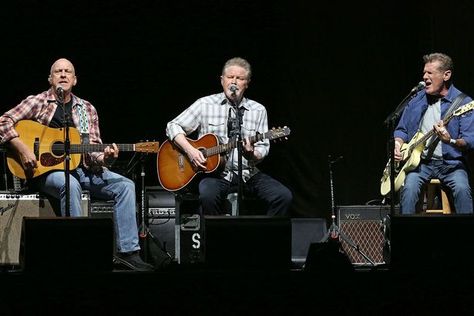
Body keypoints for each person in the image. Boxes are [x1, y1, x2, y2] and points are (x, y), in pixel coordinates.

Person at [0, 58, 154, 271]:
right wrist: (22, 148)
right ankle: (79, 250)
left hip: (83, 170)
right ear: (50, 78)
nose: (63, 75)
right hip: (44, 172)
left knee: (125, 186)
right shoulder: (37, 102)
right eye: (58, 71)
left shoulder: (86, 109)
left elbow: (94, 151)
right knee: (71, 186)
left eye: (67, 72)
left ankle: (128, 252)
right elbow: (3, 121)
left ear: (74, 80)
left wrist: (107, 158)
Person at [166, 57, 292, 216]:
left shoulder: (258, 110)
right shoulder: (205, 104)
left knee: (283, 196)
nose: (234, 82)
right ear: (222, 80)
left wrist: (251, 154)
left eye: (240, 78)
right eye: (230, 77)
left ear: (247, 83)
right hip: (216, 175)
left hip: (248, 173)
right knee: (207, 196)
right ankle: (219, 237)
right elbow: (172, 126)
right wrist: (191, 150)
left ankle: (263, 239)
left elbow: (263, 147)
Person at [394, 52, 474, 214]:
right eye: (424, 72)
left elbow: (469, 141)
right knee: (408, 190)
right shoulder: (416, 99)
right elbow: (401, 129)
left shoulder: (464, 103)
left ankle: (467, 236)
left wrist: (449, 141)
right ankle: (406, 236)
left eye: (430, 73)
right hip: (420, 164)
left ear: (446, 75)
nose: (424, 77)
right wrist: (398, 144)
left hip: (451, 165)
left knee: (462, 190)